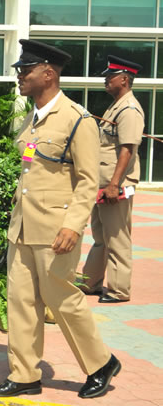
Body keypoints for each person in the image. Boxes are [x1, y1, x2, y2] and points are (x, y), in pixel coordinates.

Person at [0, 39, 120, 400]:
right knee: (21, 301)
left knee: (63, 299)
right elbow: (30, 171)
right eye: (20, 70)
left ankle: (100, 364)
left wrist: (72, 226)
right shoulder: (32, 118)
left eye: (25, 70)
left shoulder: (78, 120)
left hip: (56, 229)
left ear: (49, 73)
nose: (19, 76)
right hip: (24, 227)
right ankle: (25, 374)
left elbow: (88, 181)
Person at [79, 56, 145, 304]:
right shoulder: (116, 106)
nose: (106, 80)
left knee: (117, 238)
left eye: (111, 77)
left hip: (113, 186)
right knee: (100, 237)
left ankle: (118, 290)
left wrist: (114, 184)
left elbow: (127, 149)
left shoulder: (129, 109)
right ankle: (90, 283)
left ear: (125, 79)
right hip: (102, 184)